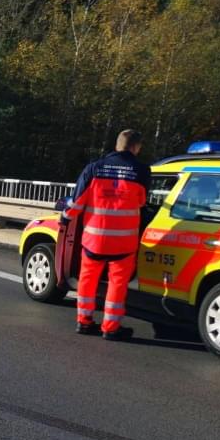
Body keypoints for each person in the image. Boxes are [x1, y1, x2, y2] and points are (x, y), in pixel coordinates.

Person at [62, 129, 150, 340]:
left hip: (95, 239)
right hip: (124, 242)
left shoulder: (94, 167)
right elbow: (142, 201)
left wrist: (65, 216)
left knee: (87, 279)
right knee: (117, 284)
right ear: (136, 147)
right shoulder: (141, 170)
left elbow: (77, 202)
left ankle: (84, 322)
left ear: (117, 145)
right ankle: (110, 328)